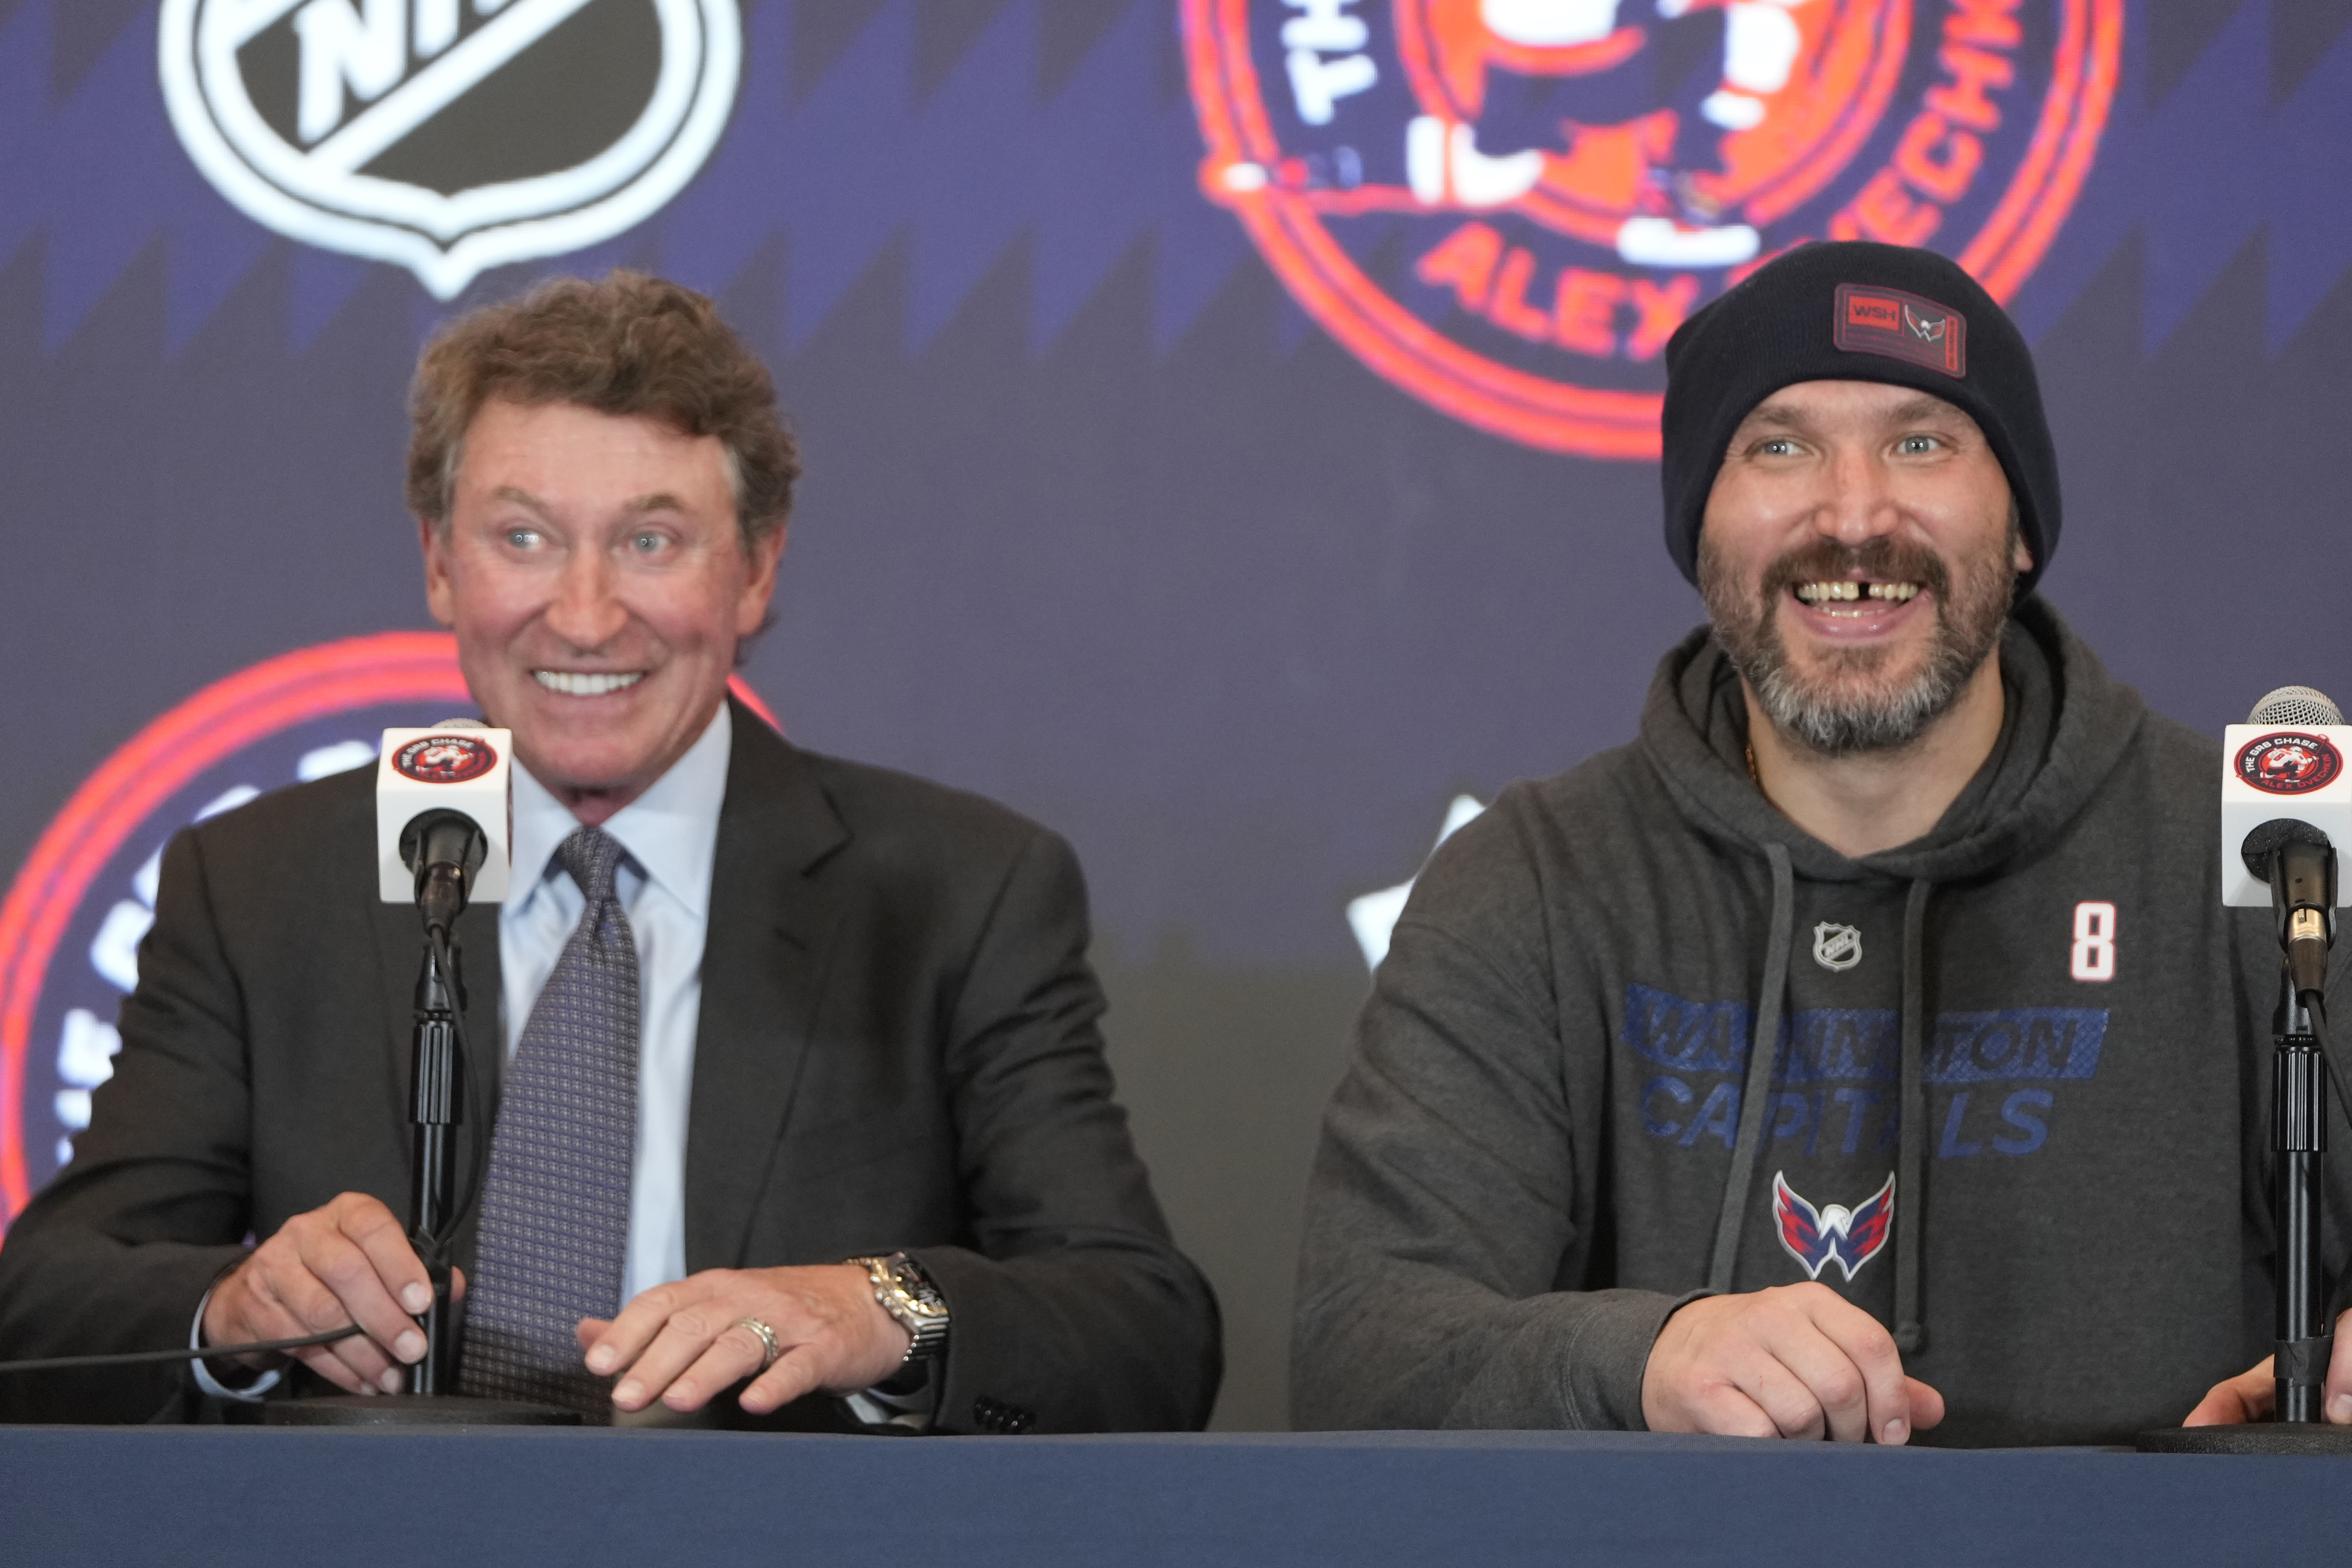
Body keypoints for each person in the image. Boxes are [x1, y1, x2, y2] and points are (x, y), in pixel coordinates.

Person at [0, 272, 1220, 1432]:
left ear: (756, 569)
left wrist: (876, 1311)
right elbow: (45, 1312)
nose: (584, 615)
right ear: (439, 562)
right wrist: (236, 1310)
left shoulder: (956, 894)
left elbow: (1145, 1332)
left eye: (652, 541)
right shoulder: (263, 887)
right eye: (523, 539)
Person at [1291, 240, 2348, 1446]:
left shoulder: (2277, 850)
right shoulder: (1532, 881)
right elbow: (1360, 1350)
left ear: (2020, 530)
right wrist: (1643, 1356)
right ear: (1702, 531)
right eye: (1781, 446)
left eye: (1921, 442)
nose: (1854, 516)